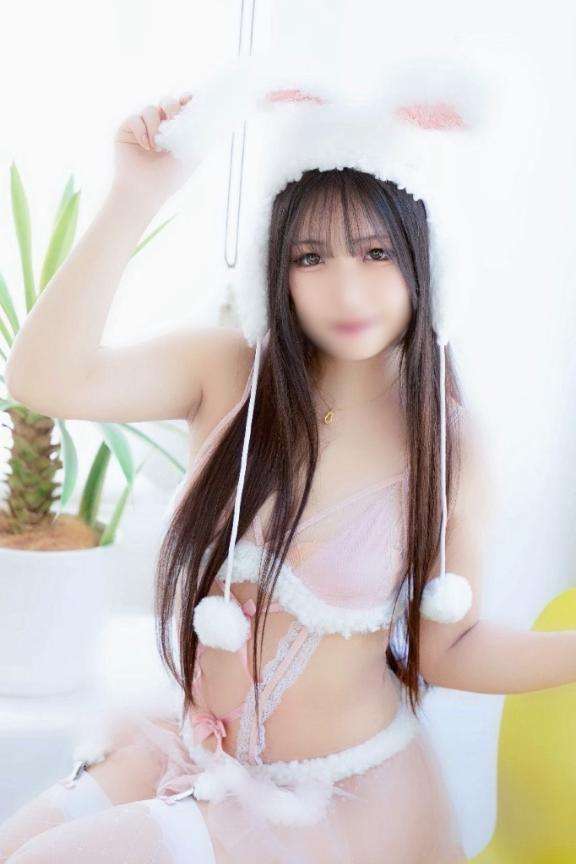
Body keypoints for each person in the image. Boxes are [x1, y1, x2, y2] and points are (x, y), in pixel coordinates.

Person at [3, 56, 576, 864]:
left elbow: (450, 646)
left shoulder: (446, 442)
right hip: (200, 755)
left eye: (375, 252)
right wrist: (138, 192)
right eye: (311, 258)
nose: (346, 291)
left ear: (425, 258)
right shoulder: (227, 370)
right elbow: (45, 380)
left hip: (337, 798)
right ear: (278, 270)